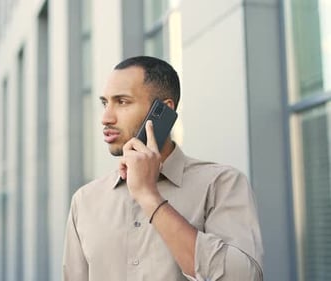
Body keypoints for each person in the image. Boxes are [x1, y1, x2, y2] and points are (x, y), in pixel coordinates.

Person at [62, 56, 263, 281]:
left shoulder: (221, 184)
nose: (106, 117)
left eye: (123, 102)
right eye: (105, 103)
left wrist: (149, 197)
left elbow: (242, 278)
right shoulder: (86, 200)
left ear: (164, 110)